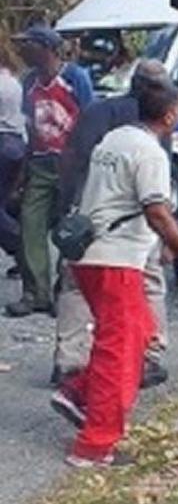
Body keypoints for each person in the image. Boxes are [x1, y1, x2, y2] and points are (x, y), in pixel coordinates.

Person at [50, 77, 178, 467]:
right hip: (115, 259)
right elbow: (158, 213)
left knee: (138, 336)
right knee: (118, 350)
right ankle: (95, 445)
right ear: (169, 115)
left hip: (88, 254)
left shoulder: (115, 139)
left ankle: (76, 392)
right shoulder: (150, 153)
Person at [53, 60, 175, 388]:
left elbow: (71, 159)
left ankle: (71, 363)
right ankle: (148, 357)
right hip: (133, 229)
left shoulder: (96, 112)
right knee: (149, 285)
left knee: (74, 289)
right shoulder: (157, 120)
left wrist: (67, 209)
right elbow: (158, 193)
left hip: (85, 218)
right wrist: (169, 240)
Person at [7, 25, 94, 317]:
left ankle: (63, 292)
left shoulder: (75, 78)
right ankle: (36, 293)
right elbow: (30, 126)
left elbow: (88, 118)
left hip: (70, 163)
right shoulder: (29, 81)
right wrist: (25, 168)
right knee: (31, 224)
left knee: (66, 228)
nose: (22, 50)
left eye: (28, 45)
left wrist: (83, 161)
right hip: (41, 163)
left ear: (46, 49)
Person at [0, 65, 26, 269]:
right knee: (8, 201)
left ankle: (21, 249)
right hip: (16, 142)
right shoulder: (13, 81)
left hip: (3, 141)